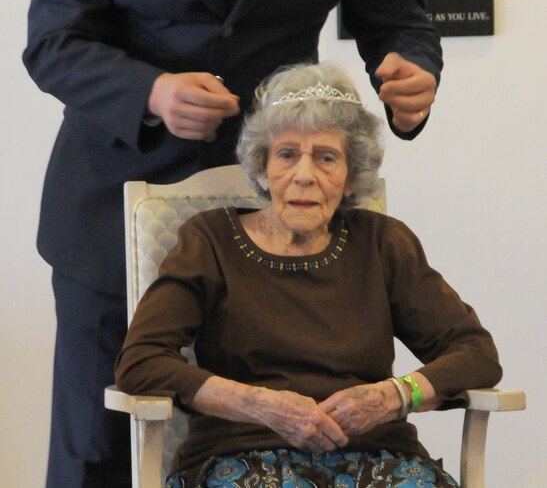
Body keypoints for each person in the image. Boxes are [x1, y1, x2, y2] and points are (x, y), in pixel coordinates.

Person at [24, 0, 442, 488]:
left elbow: (397, 16)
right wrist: (151, 91)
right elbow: (53, 42)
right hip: (111, 198)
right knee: (97, 440)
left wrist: (411, 71)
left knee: (269, 433)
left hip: (280, 210)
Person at [116, 61, 501, 487]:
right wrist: (260, 405)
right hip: (240, 456)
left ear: (351, 177)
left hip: (378, 457)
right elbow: (142, 362)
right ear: (262, 168)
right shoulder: (209, 240)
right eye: (286, 154)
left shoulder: (382, 243)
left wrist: (393, 395)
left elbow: (476, 354)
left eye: (326, 157)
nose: (304, 175)